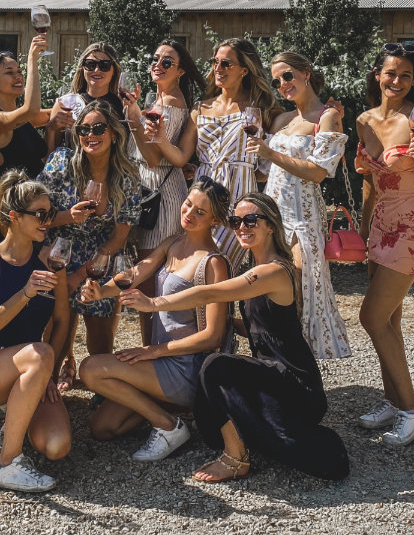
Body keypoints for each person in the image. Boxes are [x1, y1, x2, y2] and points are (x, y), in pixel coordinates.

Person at [122, 193, 349, 482]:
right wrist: (228, 324)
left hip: (295, 384)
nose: (242, 227)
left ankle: (236, 459)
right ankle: (248, 438)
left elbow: (210, 293)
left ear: (270, 225)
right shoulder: (255, 269)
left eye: (251, 220)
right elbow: (263, 326)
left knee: (216, 366)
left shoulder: (274, 271)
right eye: (236, 221)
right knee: (210, 424)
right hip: (271, 375)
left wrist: (154, 304)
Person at [77, 178, 231, 462]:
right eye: (188, 204)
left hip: (185, 368)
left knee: (90, 368)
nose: (189, 213)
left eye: (200, 212)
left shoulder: (213, 263)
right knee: (103, 427)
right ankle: (167, 410)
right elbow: (136, 273)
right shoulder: (174, 242)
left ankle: (169, 426)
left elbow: (213, 336)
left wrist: (152, 351)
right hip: (159, 362)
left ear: (214, 221)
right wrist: (101, 292)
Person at [352, 43, 414, 446]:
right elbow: (369, 184)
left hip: (412, 228)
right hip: (380, 228)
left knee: (371, 317)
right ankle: (392, 400)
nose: (397, 81)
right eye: (391, 73)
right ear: (377, 74)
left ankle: (412, 410)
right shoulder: (364, 121)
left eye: (406, 75)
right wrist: (362, 230)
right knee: (389, 320)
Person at [0, 170, 72, 492]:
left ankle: (14, 419)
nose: (47, 221)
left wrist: (49, 373)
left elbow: (62, 321)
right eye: (40, 214)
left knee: (56, 446)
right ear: (14, 216)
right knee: (38, 353)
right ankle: (6, 462)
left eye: (50, 213)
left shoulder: (52, 262)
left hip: (35, 366)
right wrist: (25, 293)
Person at [251, 51, 351, 360]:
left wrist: (270, 153)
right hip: (271, 218)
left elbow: (319, 172)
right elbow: (264, 172)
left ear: (306, 73)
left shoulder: (327, 116)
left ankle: (302, 369)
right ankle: (275, 362)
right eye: (277, 81)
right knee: (272, 294)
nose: (283, 84)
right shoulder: (283, 119)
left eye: (287, 76)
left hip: (302, 220)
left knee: (300, 293)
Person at [37, 102, 142, 390]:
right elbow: (36, 215)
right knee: (56, 330)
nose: (90, 135)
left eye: (98, 128)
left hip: (101, 256)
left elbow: (119, 236)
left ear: (114, 134)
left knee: (100, 335)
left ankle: (103, 388)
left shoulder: (127, 175)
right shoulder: (61, 163)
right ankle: (47, 386)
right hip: (59, 250)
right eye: (83, 129)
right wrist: (67, 217)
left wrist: (81, 275)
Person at [194, 38, 281, 265]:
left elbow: (283, 141)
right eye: (215, 62)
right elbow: (184, 154)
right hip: (201, 194)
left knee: (222, 262)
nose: (218, 68)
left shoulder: (260, 108)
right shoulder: (201, 107)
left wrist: (326, 113)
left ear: (244, 70)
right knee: (198, 262)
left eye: (226, 63)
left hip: (238, 197)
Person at [128, 39, 207, 256]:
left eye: (167, 62)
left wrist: (133, 119)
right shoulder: (157, 100)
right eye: (155, 60)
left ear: (180, 71)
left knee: (149, 262)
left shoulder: (171, 102)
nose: (158, 65)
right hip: (147, 186)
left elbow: (153, 158)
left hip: (160, 193)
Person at [0, 36, 52, 246]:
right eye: (9, 72)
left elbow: (54, 113)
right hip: (7, 215)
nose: (18, 76)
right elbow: (31, 110)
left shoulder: (24, 119)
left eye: (19, 71)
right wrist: (32, 60)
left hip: (32, 211)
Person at [44, 42, 131, 151]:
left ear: (114, 70)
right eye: (90, 64)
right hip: (74, 162)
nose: (97, 70)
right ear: (82, 68)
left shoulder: (124, 104)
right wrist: (51, 128)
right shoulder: (66, 104)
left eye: (104, 65)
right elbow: (49, 156)